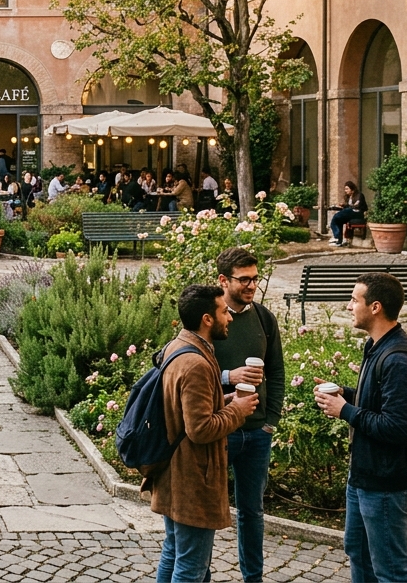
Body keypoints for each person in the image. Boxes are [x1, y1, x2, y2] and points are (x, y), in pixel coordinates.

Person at [314, 273, 407, 583]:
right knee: (359, 554)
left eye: (354, 300)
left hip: (387, 485)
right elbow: (377, 404)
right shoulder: (376, 346)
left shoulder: (399, 360)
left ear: (375, 307)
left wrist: (345, 410)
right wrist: (345, 395)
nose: (349, 306)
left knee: (391, 569)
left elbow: (397, 428)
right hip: (364, 476)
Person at [150, 285, 258, 583]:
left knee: (173, 553)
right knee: (191, 567)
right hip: (192, 479)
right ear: (207, 319)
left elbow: (186, 410)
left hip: (173, 472)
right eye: (224, 312)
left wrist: (223, 401)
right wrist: (238, 410)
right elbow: (200, 429)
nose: (230, 318)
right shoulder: (196, 362)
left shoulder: (177, 346)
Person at [213, 248, 284, 583]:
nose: (252, 285)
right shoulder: (208, 318)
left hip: (257, 432)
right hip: (218, 428)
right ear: (223, 280)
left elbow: (277, 371)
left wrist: (271, 421)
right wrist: (230, 376)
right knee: (209, 506)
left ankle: (252, 577)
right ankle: (200, 573)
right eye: (244, 279)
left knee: (252, 512)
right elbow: (186, 370)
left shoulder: (264, 318)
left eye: (255, 278)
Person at [329, 181, 369, 247]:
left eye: (347, 189)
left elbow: (357, 206)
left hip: (357, 213)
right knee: (338, 220)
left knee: (337, 216)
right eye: (345, 189)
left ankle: (336, 237)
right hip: (351, 212)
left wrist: (347, 207)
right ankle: (339, 240)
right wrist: (343, 206)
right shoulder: (349, 197)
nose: (345, 191)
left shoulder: (359, 195)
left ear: (352, 190)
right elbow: (349, 206)